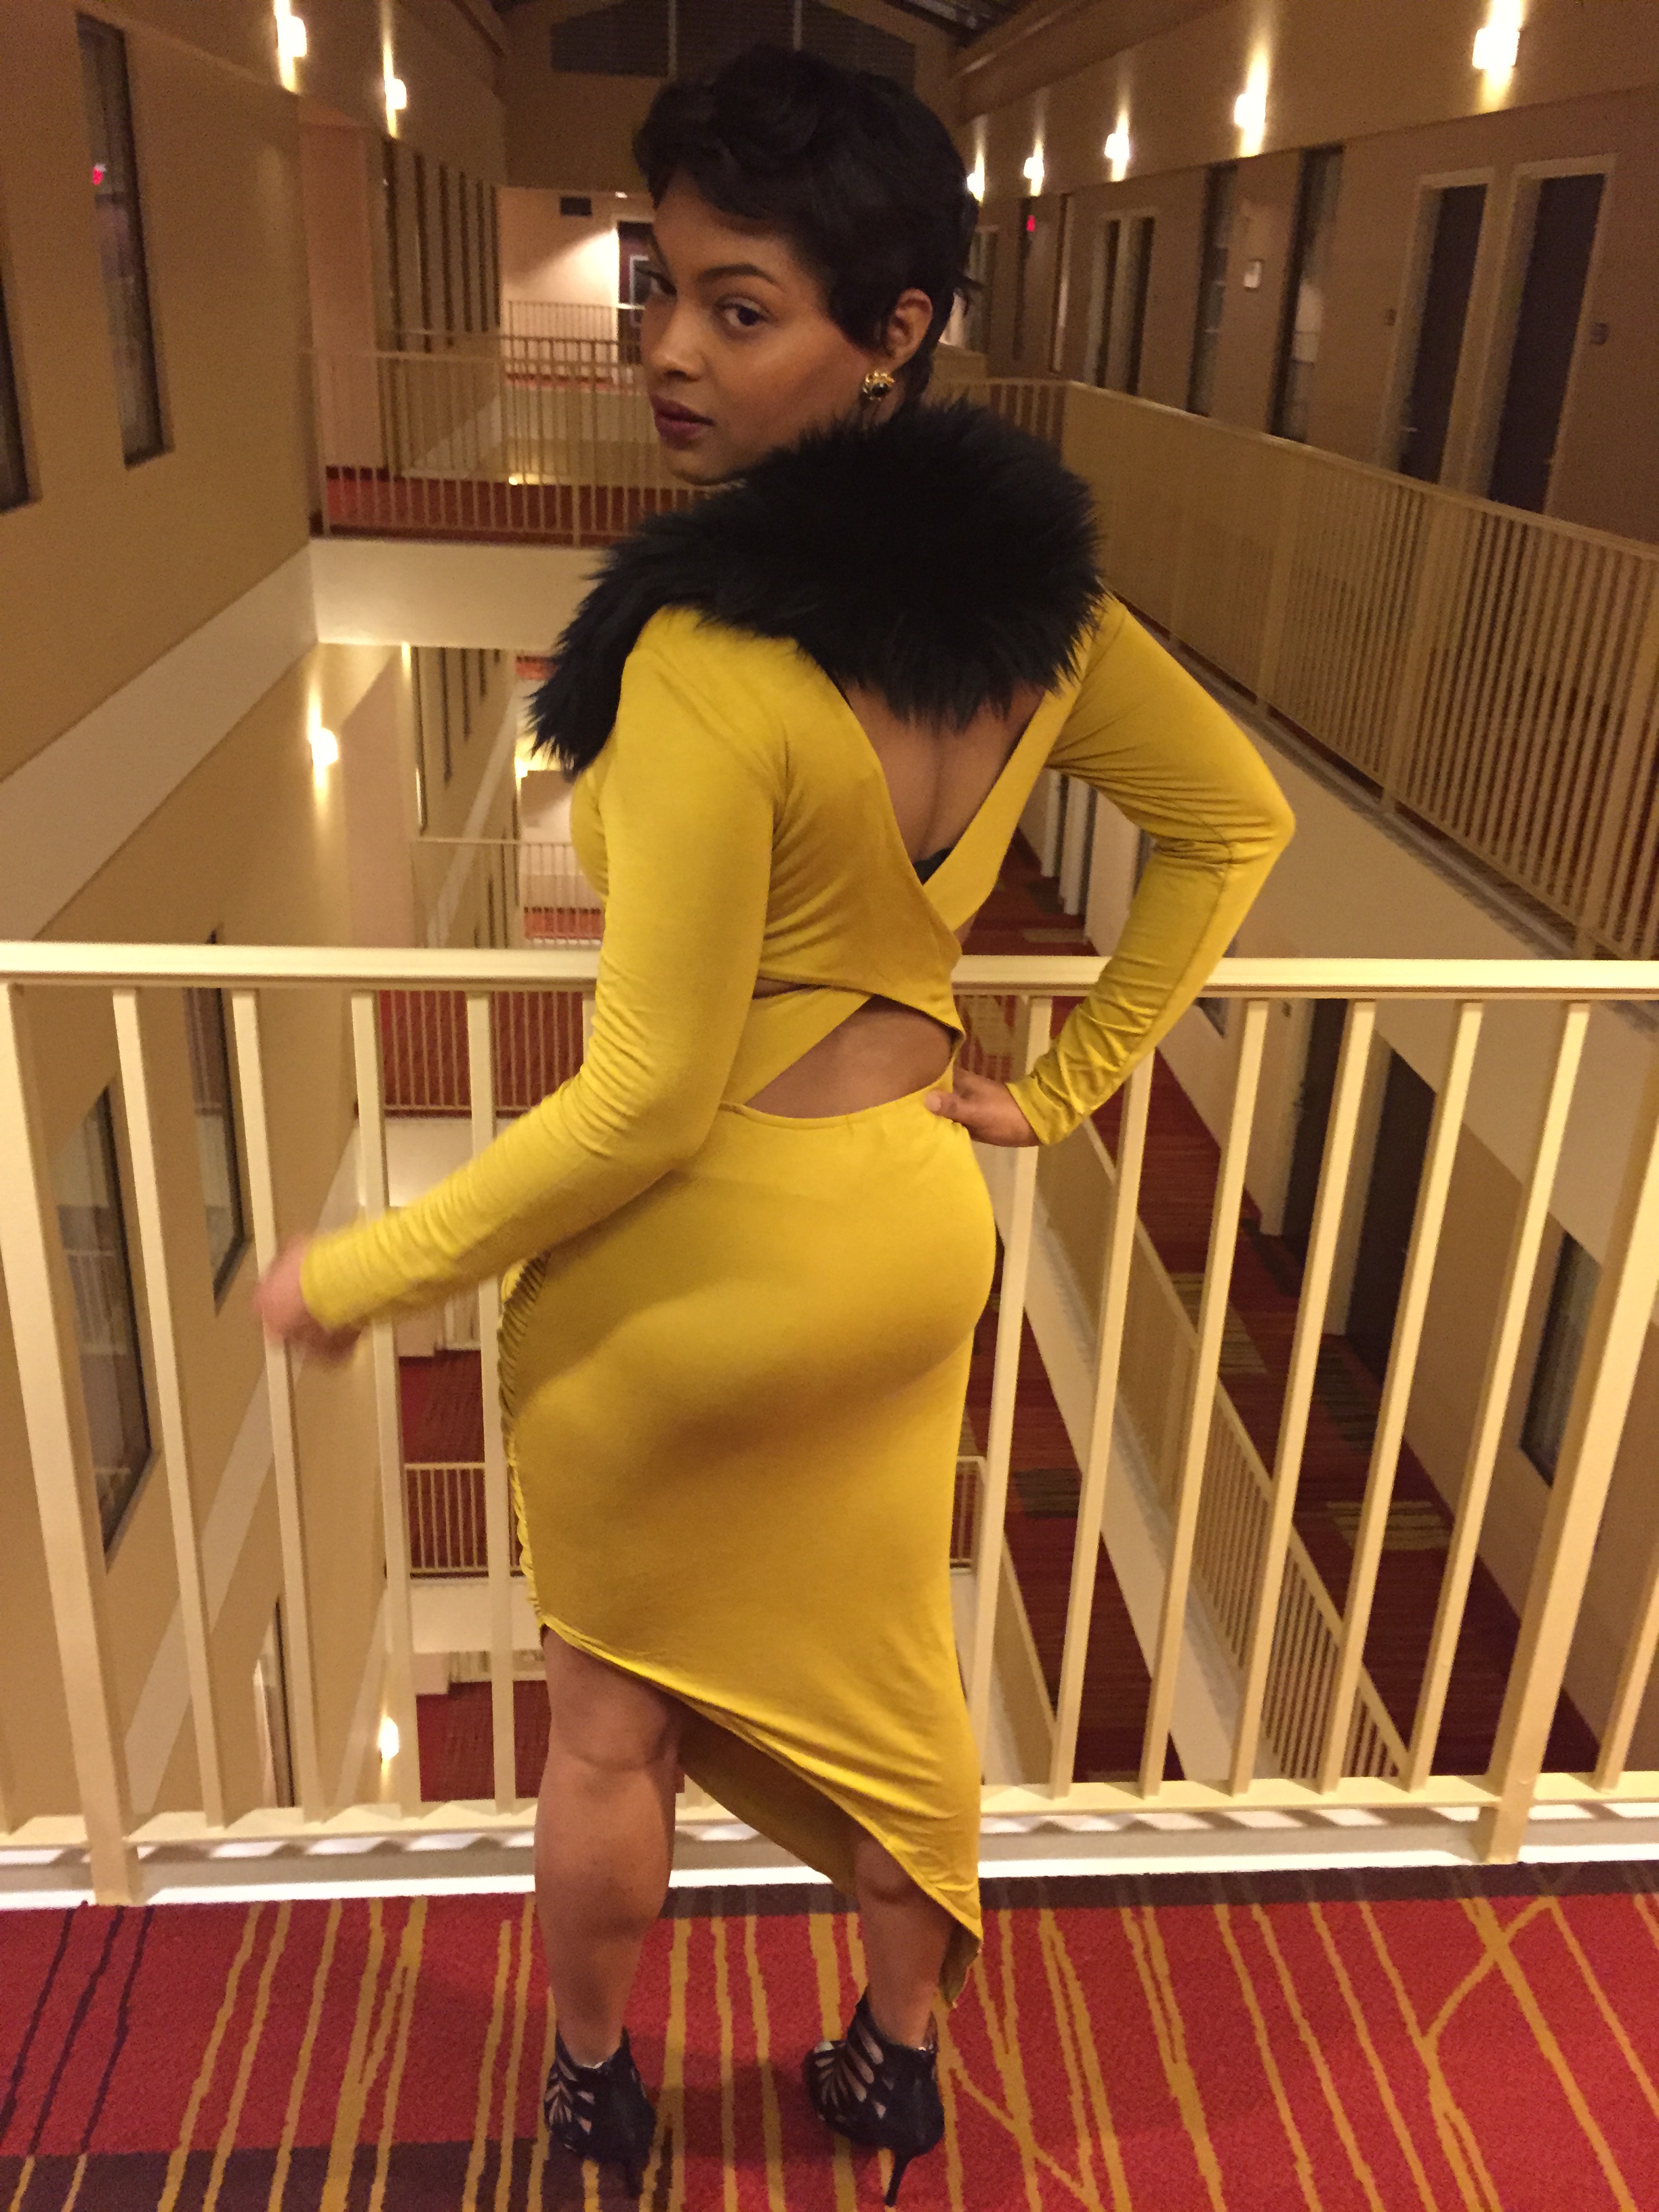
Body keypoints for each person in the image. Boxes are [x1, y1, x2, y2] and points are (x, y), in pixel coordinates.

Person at [255, 43, 1294, 2204]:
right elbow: (1236, 828)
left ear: (895, 330)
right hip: (908, 1234)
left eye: (742, 309)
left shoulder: (704, 668)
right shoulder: (1047, 627)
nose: (668, 351)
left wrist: (363, 1266)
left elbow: (642, 1105)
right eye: (664, 288)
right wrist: (1069, 1084)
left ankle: (593, 2080)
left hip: (699, 1273)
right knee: (897, 1687)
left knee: (608, 1727)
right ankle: (896, 2065)